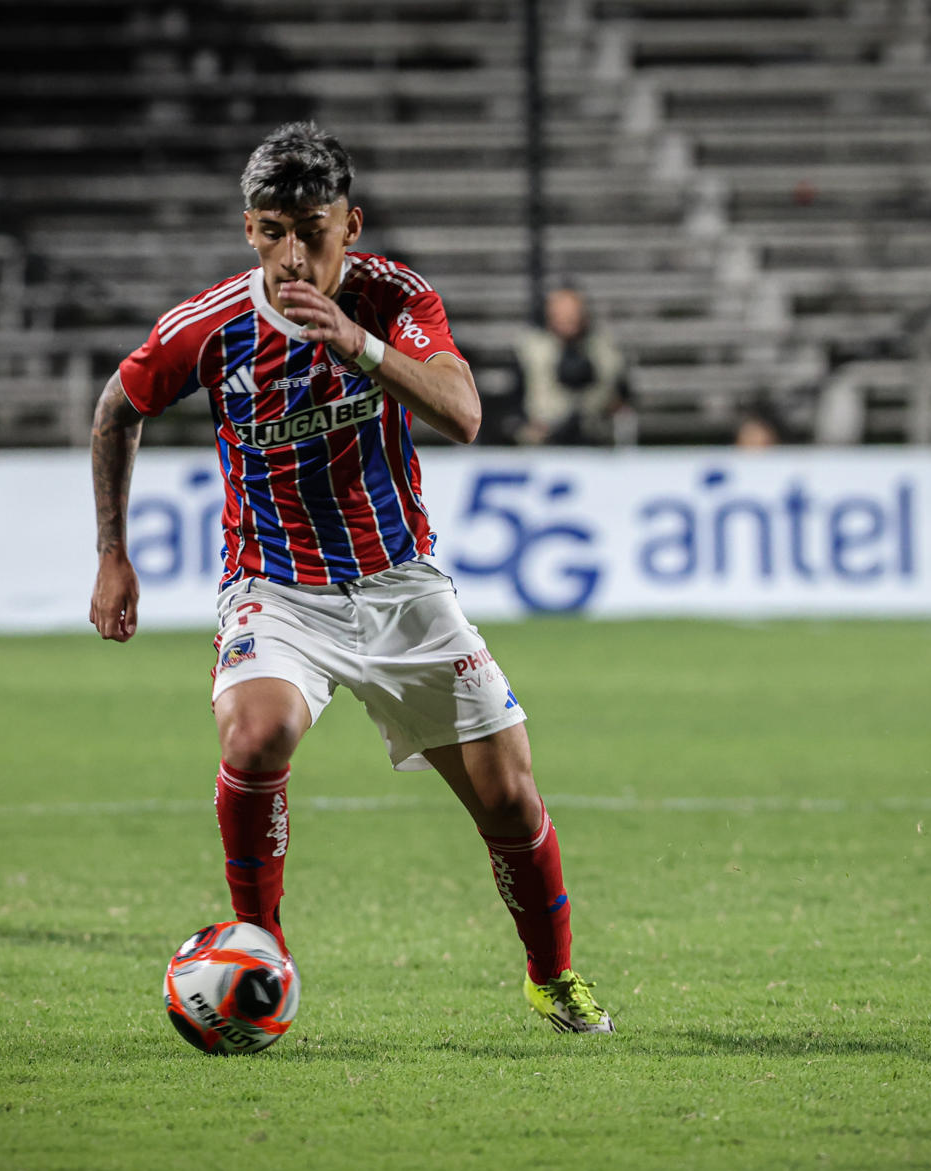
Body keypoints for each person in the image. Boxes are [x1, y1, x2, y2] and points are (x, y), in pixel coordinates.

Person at [88, 122, 611, 1034]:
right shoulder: (210, 327)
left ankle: (550, 973)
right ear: (249, 230)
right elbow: (116, 409)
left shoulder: (393, 297)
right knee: (256, 737)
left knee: (510, 798)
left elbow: (464, 411)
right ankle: (261, 950)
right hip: (276, 589)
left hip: (401, 584)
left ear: (352, 225)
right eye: (272, 232)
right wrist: (112, 553)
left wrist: (361, 347)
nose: (294, 257)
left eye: (314, 232)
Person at [513, 286, 631, 446]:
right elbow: (514, 397)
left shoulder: (605, 349)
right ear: (549, 315)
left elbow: (623, 395)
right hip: (544, 438)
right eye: (561, 313)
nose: (567, 320)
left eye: (573, 314)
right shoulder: (532, 350)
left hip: (596, 435)